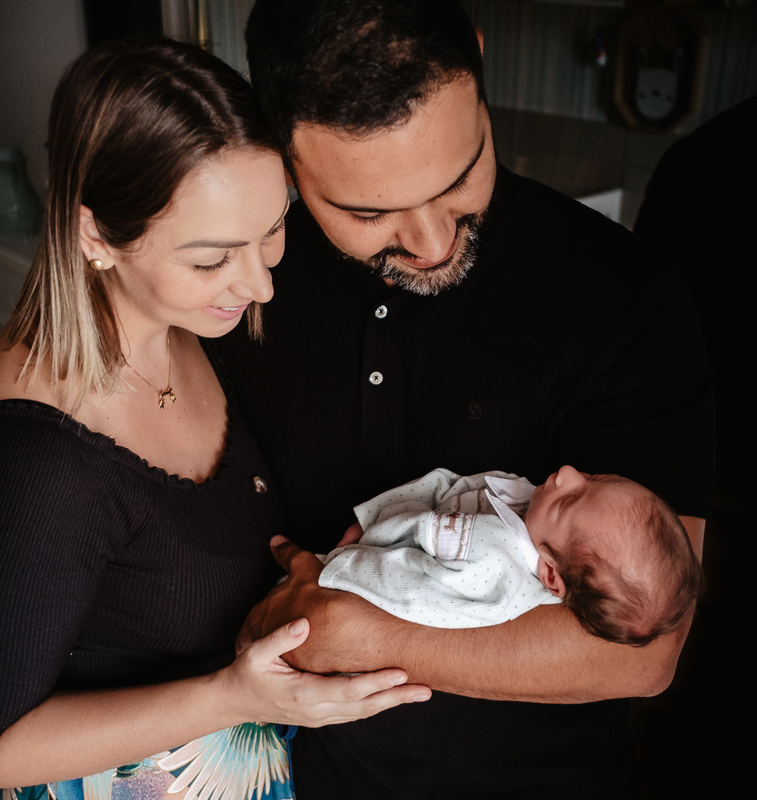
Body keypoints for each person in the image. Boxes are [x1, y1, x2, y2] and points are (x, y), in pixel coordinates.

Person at [214, 1, 714, 796]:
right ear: (280, 144)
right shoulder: (237, 287)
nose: (432, 243)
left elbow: (646, 654)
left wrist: (363, 635)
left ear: (479, 63)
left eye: (458, 179)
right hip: (299, 778)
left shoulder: (624, 299)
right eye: (368, 212)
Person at [0, 38, 428, 800]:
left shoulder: (186, 327)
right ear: (97, 237)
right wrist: (232, 696)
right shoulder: (35, 458)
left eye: (272, 228)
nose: (259, 284)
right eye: (211, 259)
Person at [320, 466, 702, 645]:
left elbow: (407, 590)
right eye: (595, 477)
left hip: (347, 585)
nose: (567, 473)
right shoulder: (526, 499)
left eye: (567, 502)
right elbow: (444, 486)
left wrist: (334, 568)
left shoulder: (494, 572)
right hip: (367, 540)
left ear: (551, 574)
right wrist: (372, 517)